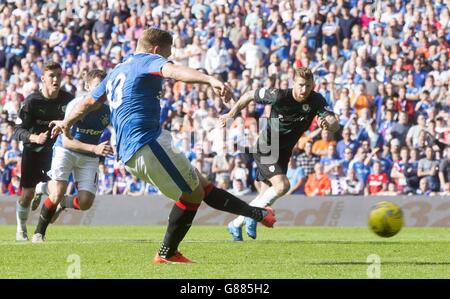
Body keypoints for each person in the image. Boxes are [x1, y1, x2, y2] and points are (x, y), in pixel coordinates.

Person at [50, 28, 275, 264]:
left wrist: (66, 121)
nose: (168, 57)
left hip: (142, 144)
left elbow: (87, 102)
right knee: (193, 194)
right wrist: (210, 79)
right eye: (167, 53)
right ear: (156, 50)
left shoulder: (118, 70)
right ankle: (166, 253)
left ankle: (257, 214)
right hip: (146, 142)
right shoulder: (148, 60)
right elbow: (174, 71)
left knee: (201, 184)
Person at [220, 67, 339, 241]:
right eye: (300, 85)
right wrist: (231, 113)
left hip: (284, 151)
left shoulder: (316, 100)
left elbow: (333, 122)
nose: (304, 90)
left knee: (268, 193)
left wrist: (330, 124)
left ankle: (236, 224)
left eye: (307, 85)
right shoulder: (279, 95)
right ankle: (253, 215)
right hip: (267, 146)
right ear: (293, 83)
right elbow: (249, 95)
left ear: (313, 84)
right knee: (282, 186)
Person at [31, 69, 112, 243]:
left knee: (85, 202)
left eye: (105, 87)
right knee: (56, 194)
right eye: (98, 87)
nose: (102, 92)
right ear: (87, 86)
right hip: (66, 151)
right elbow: (67, 142)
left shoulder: (108, 110)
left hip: (89, 156)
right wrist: (94, 148)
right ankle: (39, 234)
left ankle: (57, 200)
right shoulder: (76, 105)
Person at [13, 61, 73, 241]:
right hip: (32, 151)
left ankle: (39, 232)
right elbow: (17, 130)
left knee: (57, 193)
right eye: (51, 76)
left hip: (55, 153)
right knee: (26, 196)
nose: (55, 79)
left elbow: (75, 124)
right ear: (43, 79)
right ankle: (21, 228)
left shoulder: (68, 100)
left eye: (58, 76)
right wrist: (34, 138)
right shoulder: (32, 101)